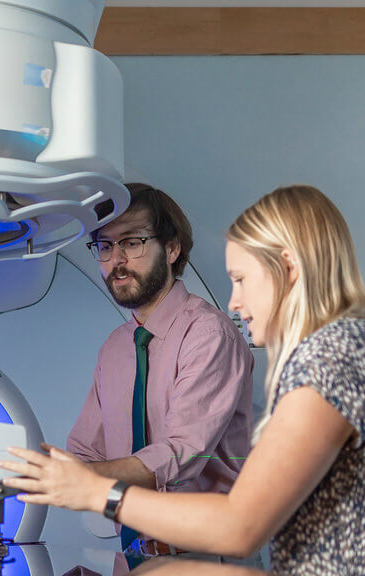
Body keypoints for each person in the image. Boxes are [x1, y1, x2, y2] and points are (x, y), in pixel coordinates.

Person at [2, 185, 365, 575]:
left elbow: (239, 527)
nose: (235, 303)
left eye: (241, 279)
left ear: (288, 267)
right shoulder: (353, 345)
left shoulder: (339, 356)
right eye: (105, 246)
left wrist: (97, 490)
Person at [65, 183, 255, 562]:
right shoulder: (117, 347)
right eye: (104, 246)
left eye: (132, 242)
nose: (116, 260)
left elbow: (180, 455)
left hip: (198, 558)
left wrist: (82, 481)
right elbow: (85, 450)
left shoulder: (208, 334)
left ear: (171, 248)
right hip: (132, 557)